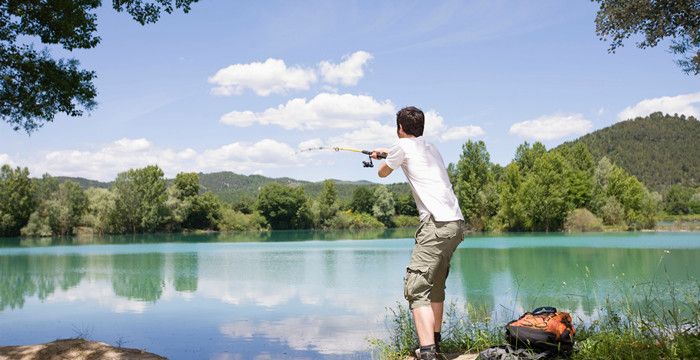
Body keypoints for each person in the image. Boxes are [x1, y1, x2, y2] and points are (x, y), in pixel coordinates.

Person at [372, 106, 465, 360]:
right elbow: (406, 153)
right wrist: (388, 153)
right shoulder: (431, 147)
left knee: (416, 287)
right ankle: (434, 343)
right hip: (455, 224)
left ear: (399, 128)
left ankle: (427, 353)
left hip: (436, 225)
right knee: (434, 286)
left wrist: (383, 158)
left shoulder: (401, 147)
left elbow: (383, 173)